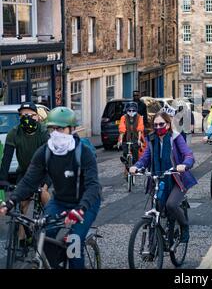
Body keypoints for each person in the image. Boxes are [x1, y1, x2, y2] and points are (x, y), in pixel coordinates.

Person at [0, 107, 102, 269]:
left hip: (86, 204)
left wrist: (81, 209)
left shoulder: (84, 152)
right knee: (44, 238)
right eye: (52, 128)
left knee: (74, 243)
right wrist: (11, 202)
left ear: (72, 129)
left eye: (60, 128)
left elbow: (93, 186)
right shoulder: (44, 152)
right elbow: (28, 182)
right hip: (60, 201)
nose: (56, 133)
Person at [129, 111, 197, 242]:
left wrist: (185, 165)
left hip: (176, 179)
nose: (158, 127)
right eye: (155, 125)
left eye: (161, 124)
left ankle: (184, 226)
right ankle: (153, 245)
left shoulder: (176, 137)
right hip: (159, 179)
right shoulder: (152, 139)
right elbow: (145, 158)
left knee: (171, 205)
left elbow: (188, 155)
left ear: (168, 124)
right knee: (157, 208)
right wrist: (137, 166)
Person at [0, 102, 51, 247]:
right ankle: (22, 240)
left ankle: (51, 224)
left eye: (30, 115)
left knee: (43, 194)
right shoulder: (14, 133)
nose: (26, 118)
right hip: (25, 172)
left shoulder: (43, 132)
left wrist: (44, 183)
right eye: (23, 115)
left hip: (44, 171)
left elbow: (49, 157)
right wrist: (2, 180)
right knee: (21, 204)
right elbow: (6, 159)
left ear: (37, 116)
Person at [118, 102, 145, 167]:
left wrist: (139, 140)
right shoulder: (123, 117)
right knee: (125, 151)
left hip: (136, 137)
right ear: (127, 110)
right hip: (126, 137)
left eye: (133, 110)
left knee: (136, 153)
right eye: (129, 110)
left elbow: (140, 129)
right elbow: (122, 129)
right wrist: (120, 140)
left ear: (136, 110)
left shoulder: (139, 117)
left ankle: (135, 166)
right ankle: (126, 162)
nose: (131, 112)